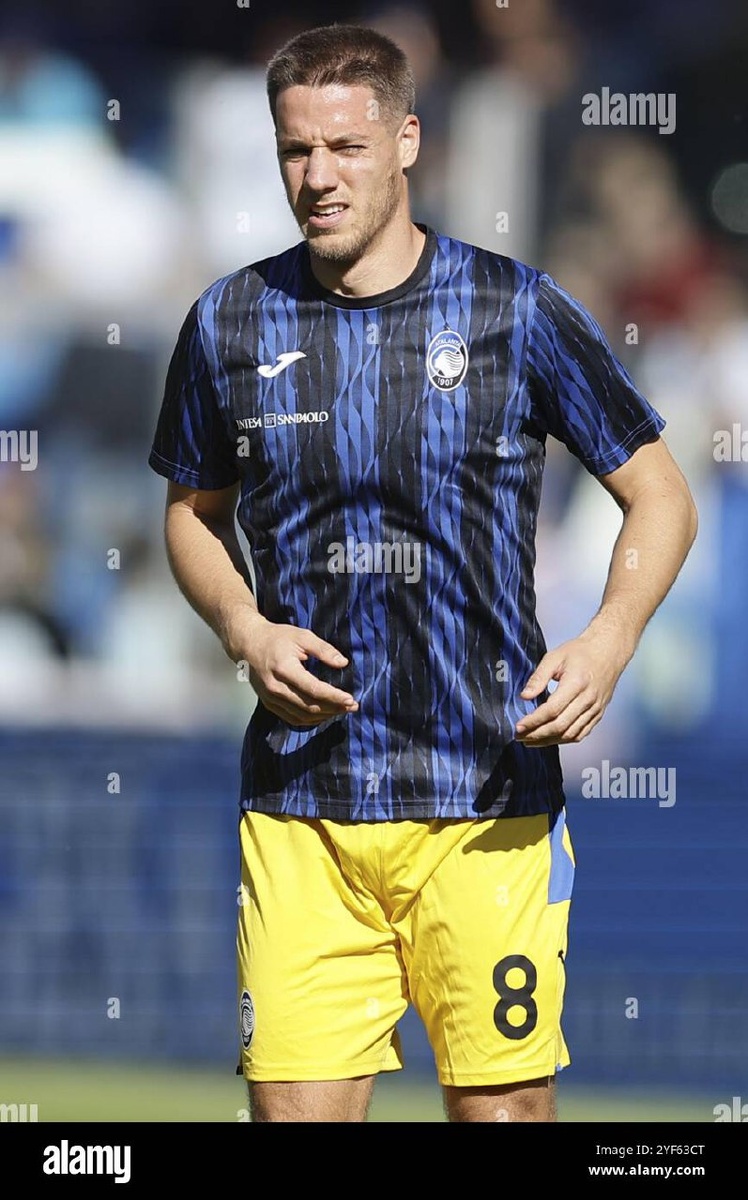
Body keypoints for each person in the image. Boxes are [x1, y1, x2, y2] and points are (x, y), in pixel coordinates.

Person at [148, 23, 698, 1123]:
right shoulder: (229, 322)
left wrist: (607, 639)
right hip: (305, 806)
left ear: (406, 141)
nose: (318, 177)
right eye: (296, 150)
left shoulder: (514, 311)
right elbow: (191, 517)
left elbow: (661, 496)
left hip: (486, 799)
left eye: (346, 148)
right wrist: (245, 630)